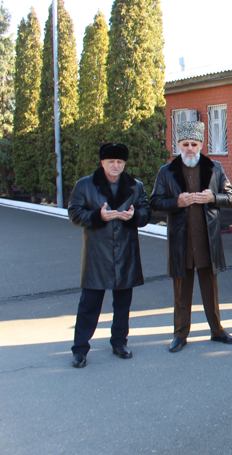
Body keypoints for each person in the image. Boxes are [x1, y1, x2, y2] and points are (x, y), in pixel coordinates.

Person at [150, 121, 232, 353]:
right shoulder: (166, 171)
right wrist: (176, 202)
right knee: (181, 291)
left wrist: (213, 198)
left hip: (207, 241)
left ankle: (217, 331)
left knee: (211, 290)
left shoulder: (215, 168)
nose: (190, 148)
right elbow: (154, 203)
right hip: (181, 242)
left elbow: (231, 197)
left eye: (194, 144)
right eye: (185, 144)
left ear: (201, 144)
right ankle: (180, 334)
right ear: (178, 145)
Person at [68, 143, 152, 367]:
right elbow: (74, 213)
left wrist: (135, 216)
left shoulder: (135, 186)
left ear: (124, 164)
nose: (116, 166)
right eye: (111, 162)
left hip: (126, 252)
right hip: (98, 254)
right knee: (89, 304)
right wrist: (98, 216)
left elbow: (146, 212)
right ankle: (80, 349)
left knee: (123, 303)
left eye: (120, 162)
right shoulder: (85, 185)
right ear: (102, 162)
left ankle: (119, 342)